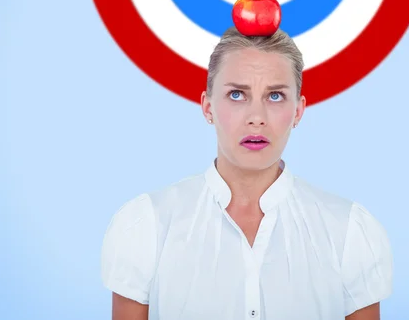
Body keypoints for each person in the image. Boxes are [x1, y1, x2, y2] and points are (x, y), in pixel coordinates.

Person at [100, 26, 393, 320]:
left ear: (298, 111)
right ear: (207, 106)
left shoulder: (348, 232)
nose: (256, 118)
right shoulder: (148, 226)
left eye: (275, 96)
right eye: (237, 94)